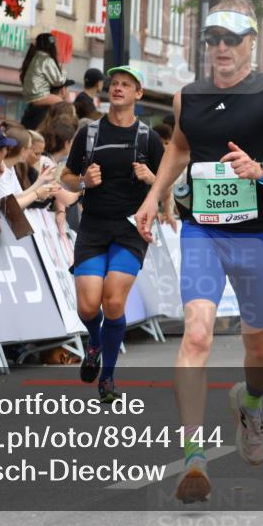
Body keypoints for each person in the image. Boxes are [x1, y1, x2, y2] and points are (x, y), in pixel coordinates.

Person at [133, 0, 263, 504]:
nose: (220, 49)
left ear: (250, 43)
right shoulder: (187, 97)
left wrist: (261, 170)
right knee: (195, 335)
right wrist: (154, 197)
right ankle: (193, 456)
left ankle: (250, 402)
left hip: (258, 236)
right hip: (203, 232)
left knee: (259, 347)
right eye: (212, 39)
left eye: (231, 40)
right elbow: (181, 148)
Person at [59, 66, 164, 403]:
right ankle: (94, 342)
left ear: (138, 94)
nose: (118, 88)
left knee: (114, 300)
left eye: (126, 85)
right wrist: (83, 182)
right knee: (89, 306)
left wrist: (151, 179)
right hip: (93, 226)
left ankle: (107, 379)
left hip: (130, 228)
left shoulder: (148, 138)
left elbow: (167, 186)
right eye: (114, 84)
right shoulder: (90, 133)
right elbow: (66, 176)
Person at [19, 32, 66, 130]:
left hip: (32, 97)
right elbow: (58, 81)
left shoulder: (34, 58)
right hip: (40, 96)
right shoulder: (46, 60)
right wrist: (64, 72)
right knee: (63, 105)